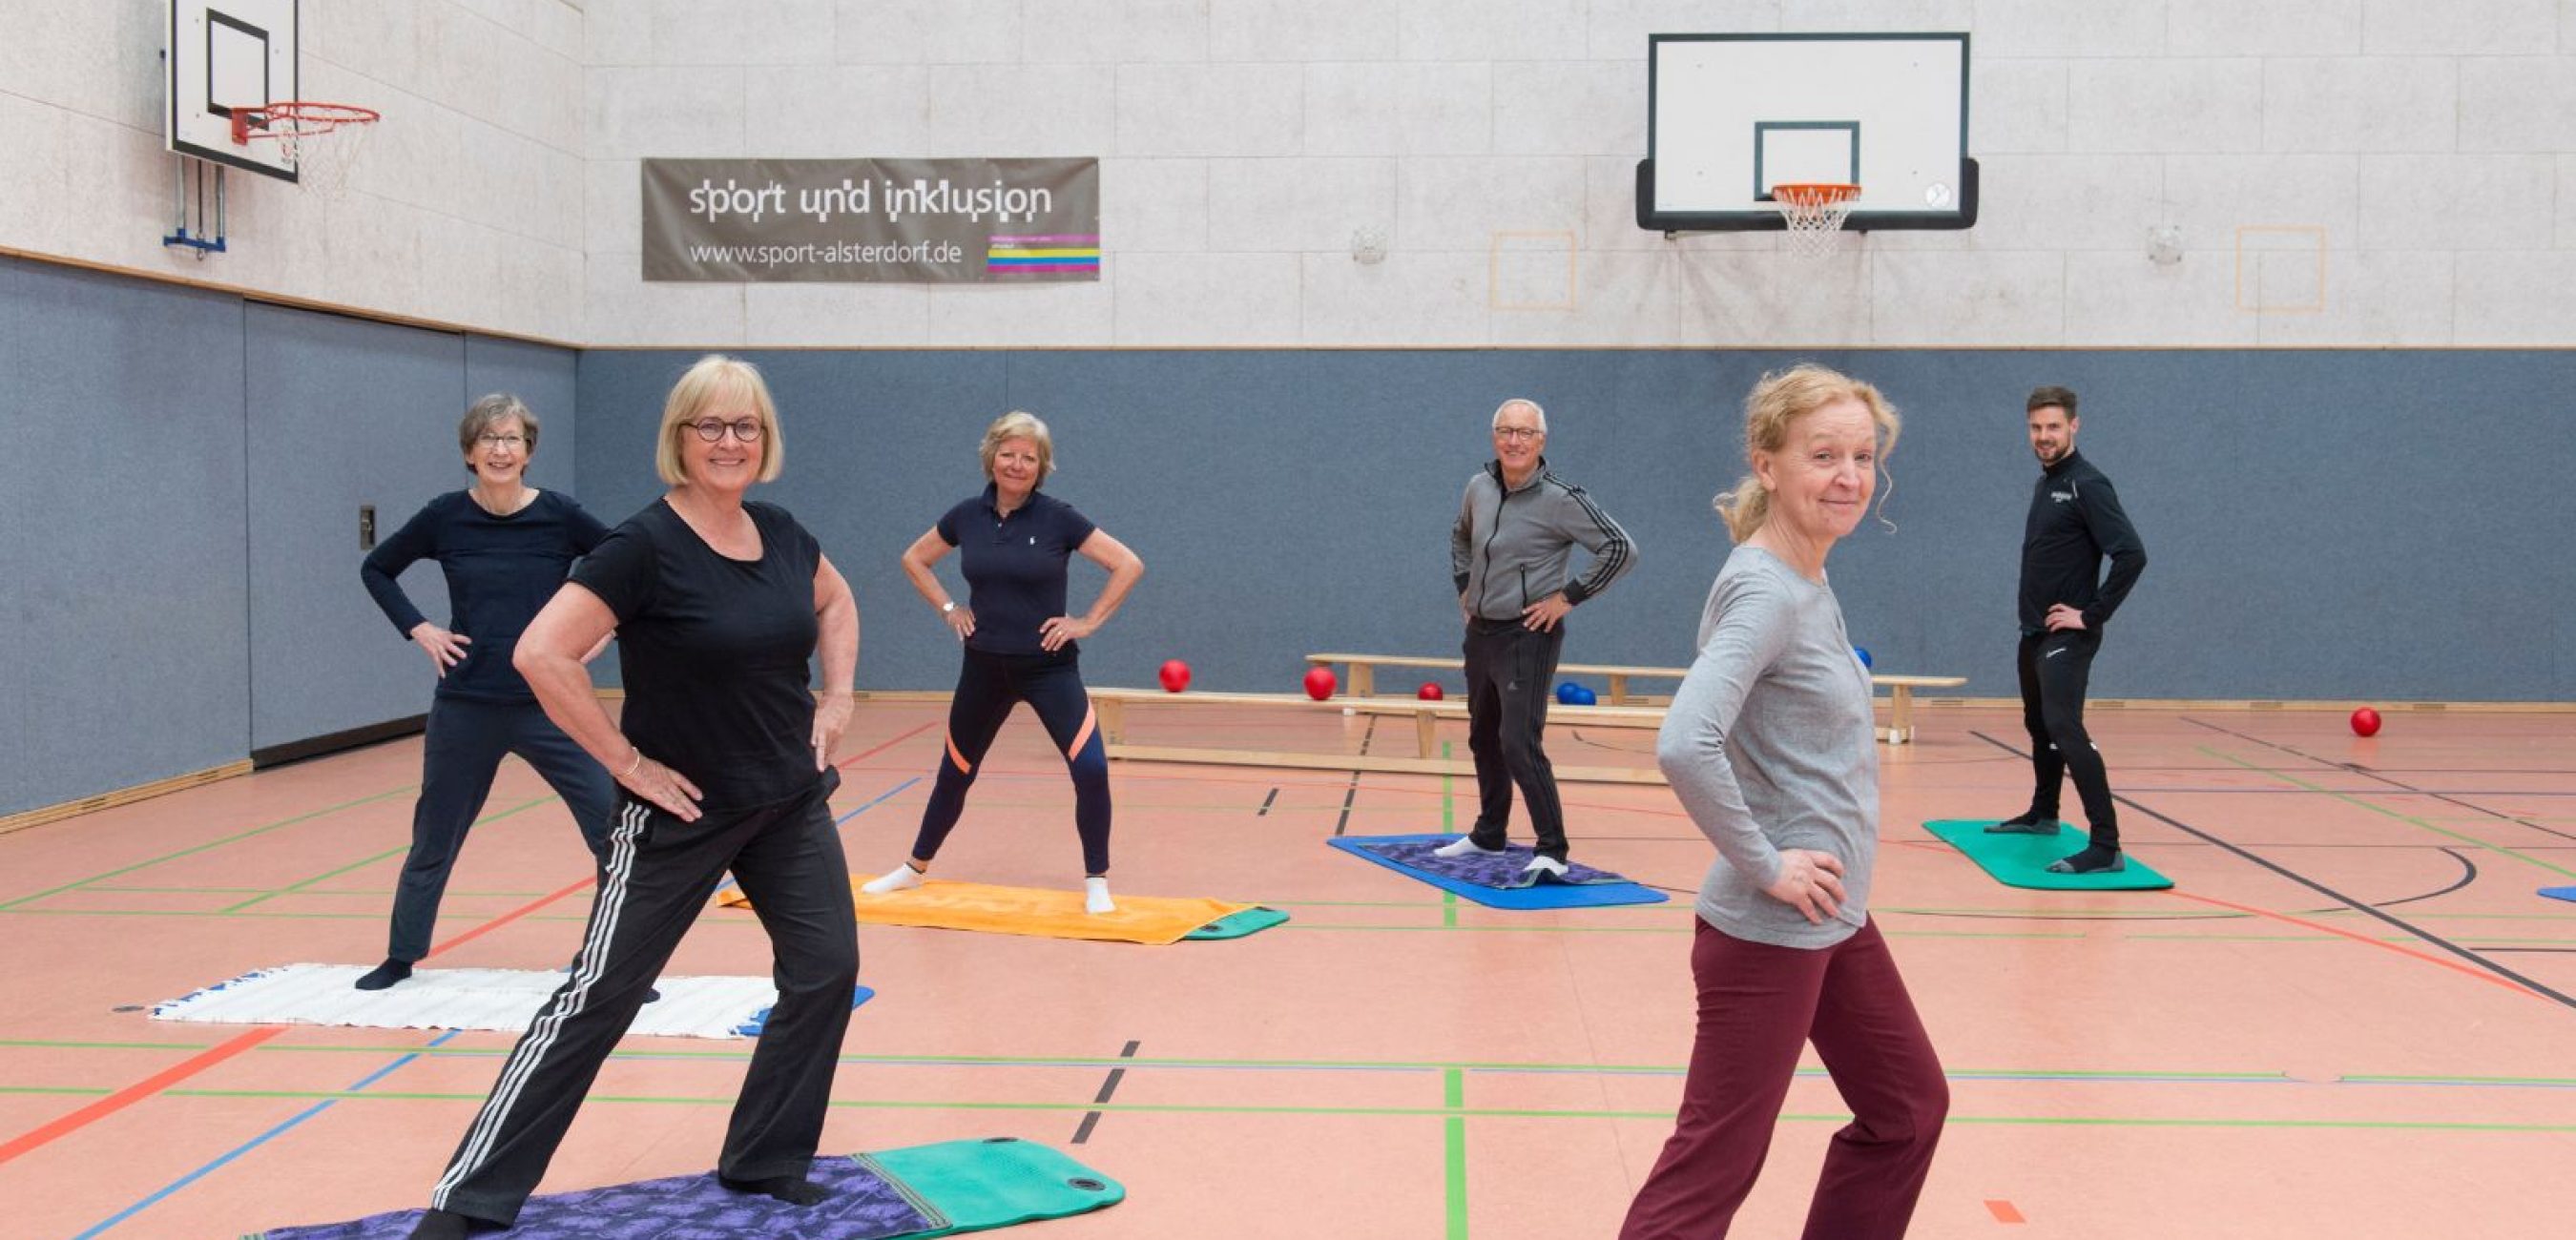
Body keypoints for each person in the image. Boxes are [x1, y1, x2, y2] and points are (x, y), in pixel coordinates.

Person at [408, 356, 862, 1238]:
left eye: (746, 427)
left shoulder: (783, 533)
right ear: (679, 439)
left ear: (763, 441)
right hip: (678, 816)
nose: (729, 442)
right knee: (598, 999)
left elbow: (836, 602)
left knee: (826, 972)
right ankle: (467, 1200)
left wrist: (837, 696)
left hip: (788, 802)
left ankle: (765, 1157)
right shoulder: (643, 545)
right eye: (710, 427)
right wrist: (626, 763)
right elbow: (544, 653)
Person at [1622, 364, 1945, 1239]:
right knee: (1713, 1166)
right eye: (1823, 455)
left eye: (1863, 456)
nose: (1848, 476)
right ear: (1767, 466)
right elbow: (1683, 740)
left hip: (1833, 918)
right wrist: (1764, 863)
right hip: (1771, 931)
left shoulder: (1806, 576)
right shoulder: (1767, 590)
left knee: (1908, 1108)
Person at [355, 395, 616, 992]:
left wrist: (604, 627)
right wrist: (419, 629)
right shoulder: (445, 516)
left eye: (512, 439)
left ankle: (612, 961)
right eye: (488, 440)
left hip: (551, 704)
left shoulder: (560, 515)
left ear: (529, 452)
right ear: (470, 453)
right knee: (435, 834)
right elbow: (378, 569)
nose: (501, 450)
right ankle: (400, 956)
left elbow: (630, 566)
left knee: (609, 827)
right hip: (467, 705)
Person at [860, 411, 1144, 915]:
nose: (1017, 465)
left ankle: (1096, 879)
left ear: (1042, 466)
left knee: (1093, 767)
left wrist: (1087, 621)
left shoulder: (1059, 518)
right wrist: (950, 608)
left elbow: (1127, 563)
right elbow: (914, 559)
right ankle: (913, 868)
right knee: (956, 770)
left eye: (1029, 458)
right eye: (1008, 454)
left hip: (1049, 668)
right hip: (984, 667)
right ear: (991, 457)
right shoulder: (966, 515)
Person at [1433, 398, 1635, 878]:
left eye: (1525, 433)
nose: (1514, 441)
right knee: (1483, 736)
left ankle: (1552, 850)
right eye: (1505, 431)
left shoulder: (1562, 499)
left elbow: (1620, 548)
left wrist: (1568, 597)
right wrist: (1465, 588)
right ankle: (1489, 835)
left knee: (1518, 741)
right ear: (1494, 436)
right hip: (1481, 631)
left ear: (1541, 440)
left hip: (1529, 634)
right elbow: (1460, 536)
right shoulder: (1479, 487)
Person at [1985, 385, 2149, 875]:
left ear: (2074, 426)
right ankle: (2044, 814)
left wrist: (2090, 614)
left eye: (2053, 427)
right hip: (2034, 630)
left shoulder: (2087, 484)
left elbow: (2131, 555)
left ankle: (2106, 845)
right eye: (2036, 428)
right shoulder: (2047, 482)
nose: (2044, 436)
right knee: (2039, 726)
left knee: (2065, 728)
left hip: (2067, 635)